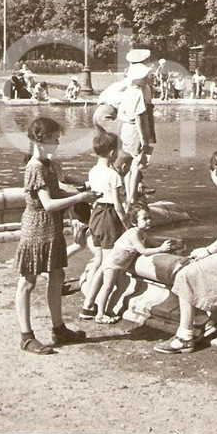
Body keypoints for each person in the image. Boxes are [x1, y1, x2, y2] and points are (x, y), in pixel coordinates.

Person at [13, 117, 99, 355]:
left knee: (57, 274)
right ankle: (26, 336)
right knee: (28, 282)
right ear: (41, 141)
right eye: (54, 139)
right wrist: (80, 198)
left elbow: (55, 191)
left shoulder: (46, 164)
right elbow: (48, 204)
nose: (58, 143)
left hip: (50, 228)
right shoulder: (36, 167)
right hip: (36, 228)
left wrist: (79, 189)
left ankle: (58, 329)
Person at [154, 150, 217, 354]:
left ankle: (185, 336)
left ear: (215, 171)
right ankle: (203, 322)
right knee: (192, 266)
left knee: (186, 274)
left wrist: (206, 251)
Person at [91, 205, 173, 324]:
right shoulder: (133, 234)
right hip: (112, 265)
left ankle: (109, 310)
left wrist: (168, 246)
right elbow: (144, 251)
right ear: (134, 222)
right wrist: (161, 249)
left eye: (149, 217)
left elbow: (153, 243)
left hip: (122, 267)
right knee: (108, 287)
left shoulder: (143, 233)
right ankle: (100, 314)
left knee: (122, 287)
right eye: (144, 219)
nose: (148, 221)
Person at [79, 131, 130, 320]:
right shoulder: (113, 175)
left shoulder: (93, 172)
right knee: (108, 264)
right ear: (111, 154)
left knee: (99, 259)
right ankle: (89, 305)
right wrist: (128, 225)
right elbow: (118, 205)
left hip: (96, 215)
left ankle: (88, 301)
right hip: (108, 217)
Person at [118, 63, 153, 208]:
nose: (147, 79)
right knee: (137, 164)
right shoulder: (138, 92)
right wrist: (144, 140)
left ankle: (128, 195)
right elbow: (139, 117)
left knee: (128, 163)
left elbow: (121, 113)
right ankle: (131, 199)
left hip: (125, 129)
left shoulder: (128, 91)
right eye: (144, 77)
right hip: (134, 130)